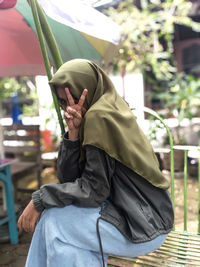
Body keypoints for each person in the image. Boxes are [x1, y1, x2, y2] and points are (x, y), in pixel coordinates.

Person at [18, 59, 174, 267]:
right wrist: (73, 135)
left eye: (73, 98)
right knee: (64, 238)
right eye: (63, 102)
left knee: (53, 222)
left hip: (142, 224)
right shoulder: (106, 109)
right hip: (130, 213)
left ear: (88, 89)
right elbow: (70, 180)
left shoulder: (99, 116)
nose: (69, 107)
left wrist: (40, 198)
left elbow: (94, 191)